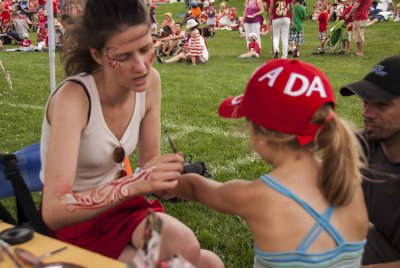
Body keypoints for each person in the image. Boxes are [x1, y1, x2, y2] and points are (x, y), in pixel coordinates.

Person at [39, 0, 223, 267]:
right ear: (98, 55)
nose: (141, 66)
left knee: (192, 251)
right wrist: (132, 185)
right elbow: (54, 211)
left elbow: (151, 170)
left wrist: (221, 194)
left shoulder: (150, 83)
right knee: (194, 264)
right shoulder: (74, 98)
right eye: (124, 56)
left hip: (122, 212)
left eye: (146, 49)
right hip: (76, 224)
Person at [170, 58, 368, 267]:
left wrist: (166, 178)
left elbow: (194, 188)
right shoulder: (349, 185)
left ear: (260, 133)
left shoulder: (257, 196)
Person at [340, 56, 400, 267]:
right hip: (388, 244)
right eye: (366, 102)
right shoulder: (360, 146)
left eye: (381, 105)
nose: (367, 113)